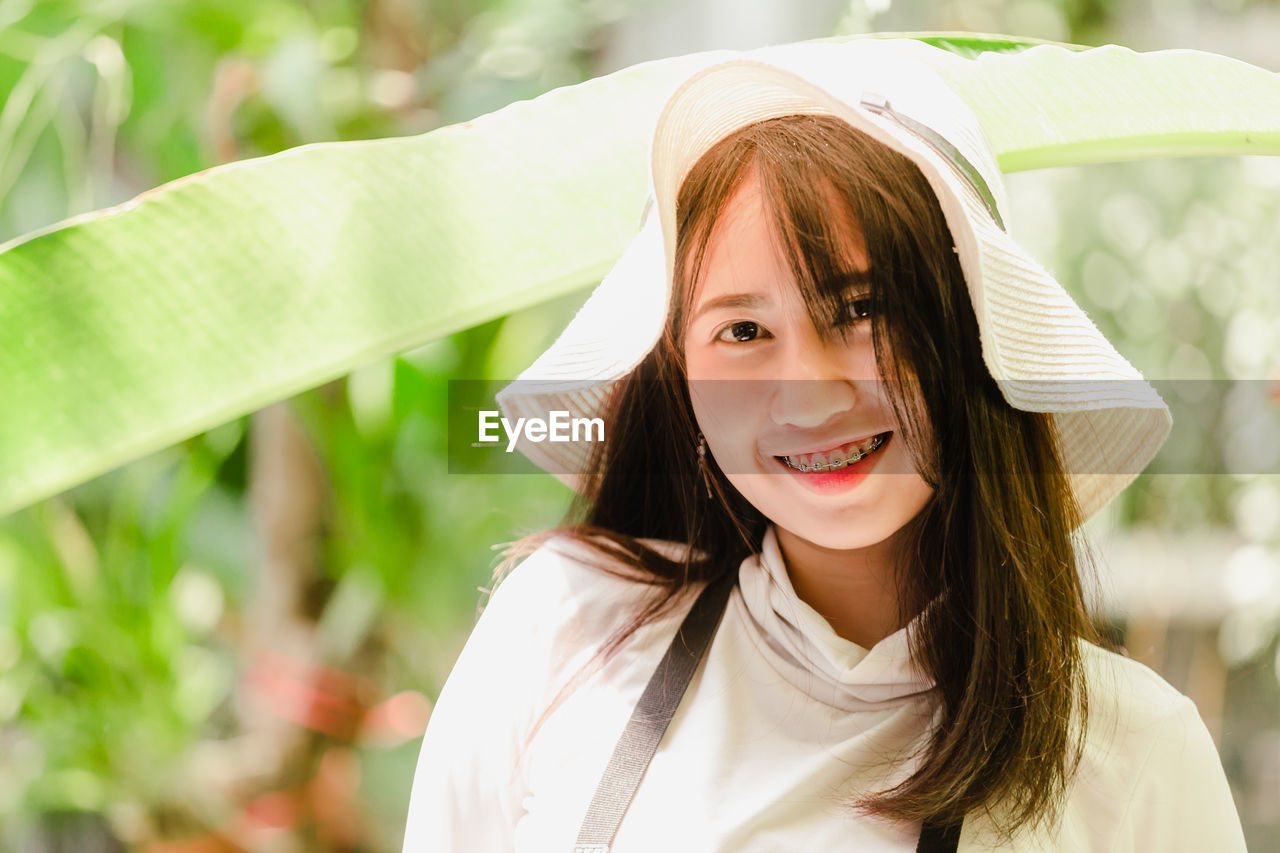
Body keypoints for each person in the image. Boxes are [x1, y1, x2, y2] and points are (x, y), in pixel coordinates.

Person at [403, 40, 1247, 851]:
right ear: (681, 374)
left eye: (862, 309)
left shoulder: (1135, 754)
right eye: (742, 329)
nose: (809, 393)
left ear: (974, 332)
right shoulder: (563, 632)